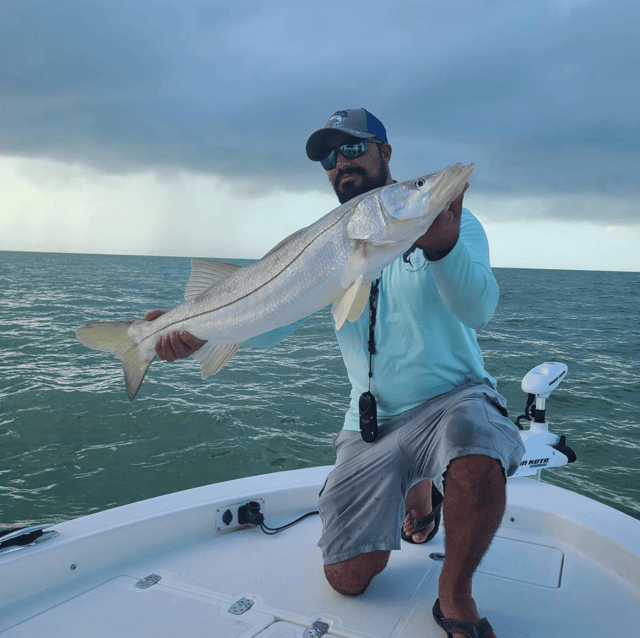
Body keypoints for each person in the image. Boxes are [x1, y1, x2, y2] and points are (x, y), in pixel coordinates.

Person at [146, 109, 526, 638]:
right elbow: (273, 321)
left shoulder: (453, 226)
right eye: (328, 157)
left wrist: (444, 248)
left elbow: (479, 308)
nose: (339, 164)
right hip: (372, 420)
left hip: (452, 401)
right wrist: (196, 330)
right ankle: (417, 486)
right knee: (347, 578)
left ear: (384, 153)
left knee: (477, 444)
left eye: (352, 149)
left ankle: (455, 596)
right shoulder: (324, 242)